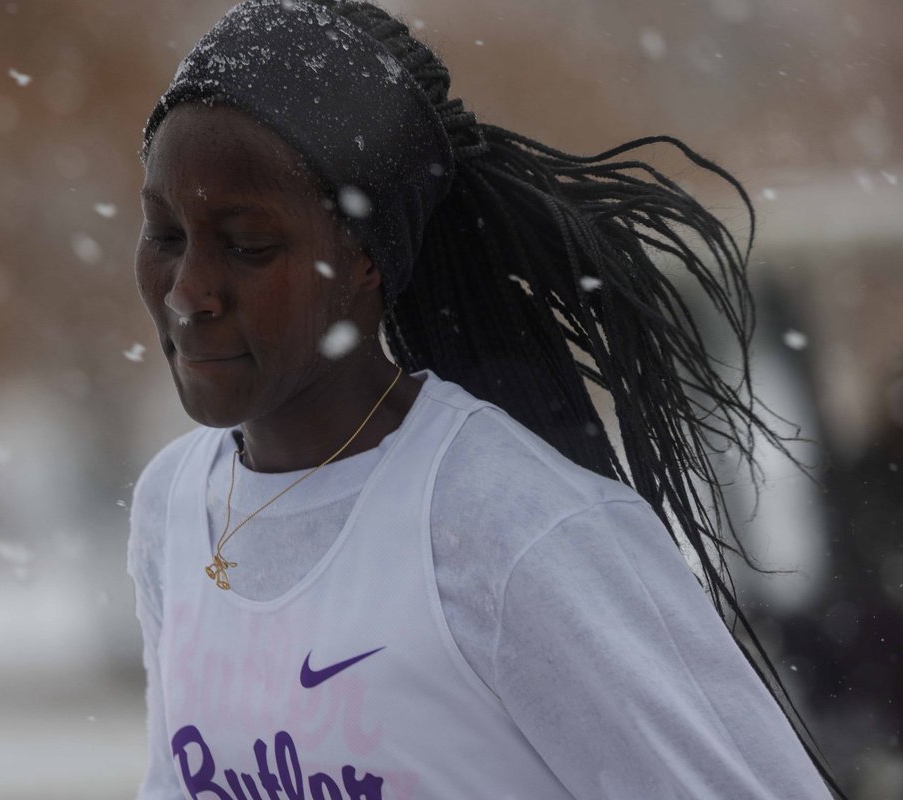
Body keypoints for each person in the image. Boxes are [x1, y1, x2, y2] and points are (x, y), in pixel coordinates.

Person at [126, 1, 844, 797]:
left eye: (247, 245)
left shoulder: (511, 528)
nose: (188, 292)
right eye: (164, 235)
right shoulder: (173, 505)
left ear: (363, 257)